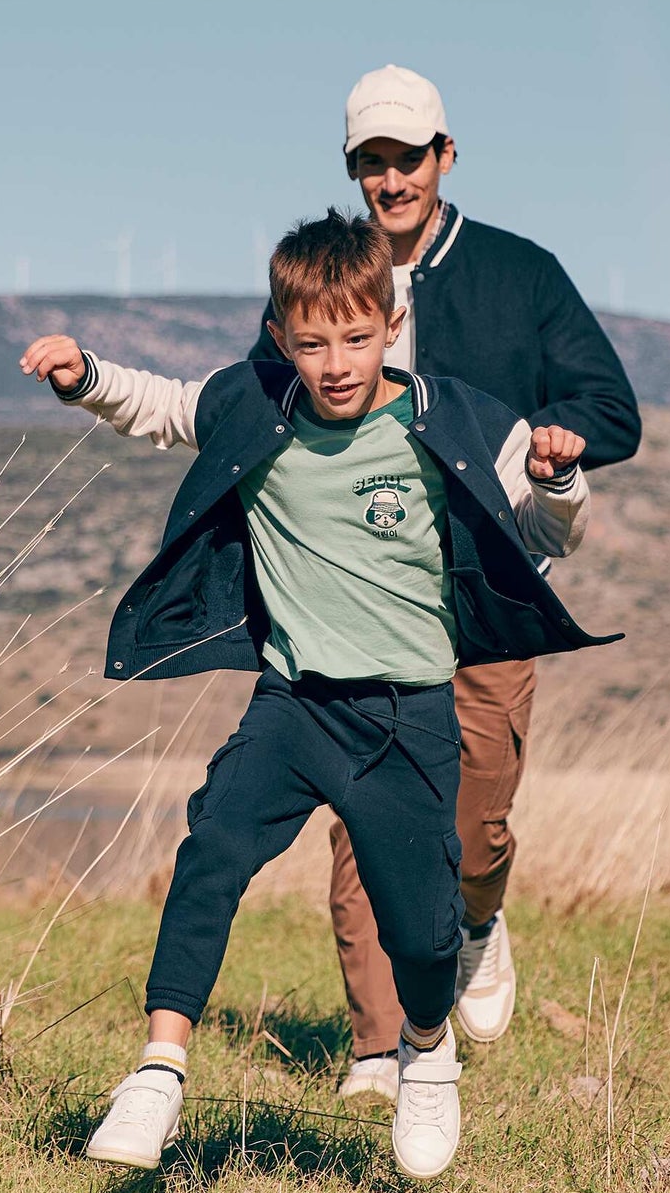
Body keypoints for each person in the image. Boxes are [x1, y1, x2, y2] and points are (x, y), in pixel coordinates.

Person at [20, 210, 615, 1178]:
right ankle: (157, 1070)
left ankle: (426, 1055)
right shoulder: (253, 406)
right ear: (279, 338)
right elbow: (161, 406)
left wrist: (556, 482)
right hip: (292, 706)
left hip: (406, 715)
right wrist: (83, 375)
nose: (333, 361)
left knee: (419, 930)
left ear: (387, 326)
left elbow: (550, 537)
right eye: (309, 342)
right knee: (208, 855)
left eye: (351, 337)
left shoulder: (457, 421)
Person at [248, 65, 641, 1099]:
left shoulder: (522, 275)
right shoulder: (323, 286)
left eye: (407, 157)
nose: (391, 179)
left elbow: (614, 407)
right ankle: (380, 1047)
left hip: (487, 588)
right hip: (360, 591)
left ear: (444, 157)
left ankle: (476, 915)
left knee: (477, 814)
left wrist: (563, 442)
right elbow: (260, 404)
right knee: (361, 810)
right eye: (370, 162)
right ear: (352, 170)